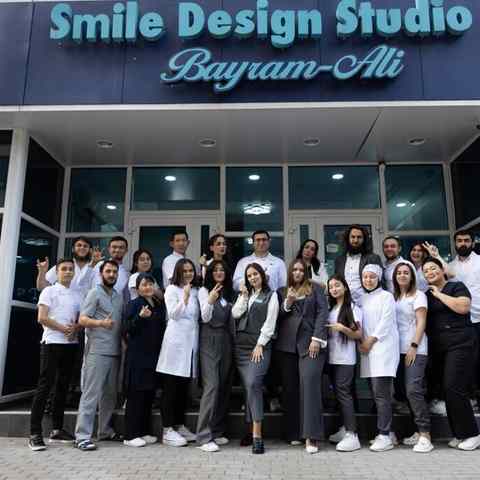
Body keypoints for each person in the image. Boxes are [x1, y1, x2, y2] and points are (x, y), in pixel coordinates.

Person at [422, 257, 480, 451]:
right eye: (426, 271)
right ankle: (460, 433)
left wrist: (439, 295)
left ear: (442, 270)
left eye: (433, 268)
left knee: (454, 387)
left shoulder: (456, 287)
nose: (430, 273)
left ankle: (472, 434)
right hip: (440, 348)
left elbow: (463, 307)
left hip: (461, 344)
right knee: (447, 390)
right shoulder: (426, 294)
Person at [275, 259, 328, 454]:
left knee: (310, 386)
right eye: (294, 270)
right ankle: (293, 433)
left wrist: (317, 338)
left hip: (310, 344)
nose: (297, 272)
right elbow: (276, 317)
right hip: (287, 346)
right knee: (290, 390)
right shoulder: (282, 291)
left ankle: (311, 436)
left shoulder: (315, 289)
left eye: (300, 270)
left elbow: (323, 313)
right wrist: (288, 303)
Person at [28, 259, 82, 451]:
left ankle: (57, 429)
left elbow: (79, 319)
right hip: (51, 343)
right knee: (45, 387)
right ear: (57, 272)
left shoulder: (77, 295)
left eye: (70, 269)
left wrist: (75, 328)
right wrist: (63, 329)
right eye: (64, 269)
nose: (68, 272)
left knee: (62, 387)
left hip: (70, 345)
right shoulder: (49, 291)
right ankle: (35, 433)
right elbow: (42, 317)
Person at [74, 260, 124, 451]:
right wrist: (100, 323)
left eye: (114, 272)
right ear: (101, 273)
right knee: (91, 394)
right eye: (108, 271)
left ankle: (104, 431)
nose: (111, 274)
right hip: (97, 350)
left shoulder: (118, 296)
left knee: (109, 396)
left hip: (115, 351)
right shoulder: (94, 293)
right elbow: (82, 319)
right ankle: (82, 436)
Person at [232, 263, 279, 454]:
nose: (252, 278)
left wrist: (260, 344)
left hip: (258, 346)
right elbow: (235, 313)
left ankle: (257, 435)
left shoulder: (271, 295)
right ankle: (249, 430)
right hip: (241, 348)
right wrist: (243, 296)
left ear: (262, 275)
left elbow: (270, 322)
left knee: (253, 384)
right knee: (247, 388)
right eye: (249, 275)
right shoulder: (246, 294)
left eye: (255, 274)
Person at [156, 258, 199, 447]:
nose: (188, 274)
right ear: (178, 272)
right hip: (175, 344)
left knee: (183, 388)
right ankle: (167, 430)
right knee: (171, 388)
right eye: (185, 270)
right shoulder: (172, 290)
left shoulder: (196, 291)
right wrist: (185, 298)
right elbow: (174, 313)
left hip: (190, 345)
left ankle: (179, 425)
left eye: (191, 270)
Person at [392, 262, 433, 453]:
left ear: (412, 276)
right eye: (399, 273)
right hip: (397, 350)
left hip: (416, 349)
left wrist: (414, 346)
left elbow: (421, 322)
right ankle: (416, 432)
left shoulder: (419, 295)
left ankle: (425, 434)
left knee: (413, 390)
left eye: (406, 273)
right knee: (403, 392)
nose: (402, 275)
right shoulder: (395, 297)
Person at [358, 264, 399, 452]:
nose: (368, 280)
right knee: (376, 394)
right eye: (365, 277)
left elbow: (386, 322)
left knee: (382, 395)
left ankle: (384, 435)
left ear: (378, 278)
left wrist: (370, 340)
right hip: (368, 351)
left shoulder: (386, 296)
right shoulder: (362, 298)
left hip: (382, 349)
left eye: (372, 277)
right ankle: (390, 432)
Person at [123, 273, 166, 448]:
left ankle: (143, 431)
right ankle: (130, 435)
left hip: (153, 356)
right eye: (144, 285)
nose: (148, 287)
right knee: (136, 396)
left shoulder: (158, 304)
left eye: (150, 284)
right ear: (138, 288)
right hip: (138, 357)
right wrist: (140, 317)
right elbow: (127, 329)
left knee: (148, 395)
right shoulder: (134, 304)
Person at [196, 260, 235, 452]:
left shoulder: (227, 293)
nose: (219, 272)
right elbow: (204, 317)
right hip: (209, 338)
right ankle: (203, 436)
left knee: (223, 385)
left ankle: (216, 431)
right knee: (211, 385)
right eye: (215, 270)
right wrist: (210, 300)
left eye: (222, 270)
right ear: (210, 273)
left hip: (225, 339)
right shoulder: (204, 291)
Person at [326, 275, 363, 452]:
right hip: (332, 358)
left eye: (337, 285)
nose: (334, 289)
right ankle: (344, 429)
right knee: (338, 395)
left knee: (344, 393)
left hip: (346, 359)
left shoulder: (353, 308)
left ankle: (352, 434)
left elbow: (358, 334)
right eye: (331, 287)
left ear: (345, 287)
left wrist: (343, 329)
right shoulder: (332, 308)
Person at [36, 236, 100, 299]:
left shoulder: (97, 268)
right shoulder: (63, 266)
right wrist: (42, 272)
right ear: (73, 249)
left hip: (86, 305)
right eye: (79, 245)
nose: (82, 248)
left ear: (90, 250)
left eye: (85, 246)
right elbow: (41, 287)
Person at [334, 225, 383, 304]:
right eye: (353, 237)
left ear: (364, 239)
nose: (356, 240)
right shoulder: (339, 260)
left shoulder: (373, 258)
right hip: (345, 303)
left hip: (367, 303)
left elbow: (379, 283)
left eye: (359, 237)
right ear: (347, 239)